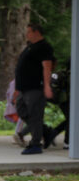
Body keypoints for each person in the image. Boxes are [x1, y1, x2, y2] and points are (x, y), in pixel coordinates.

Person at [14, 23, 54, 155]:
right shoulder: (30, 47)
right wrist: (17, 88)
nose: (27, 34)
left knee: (35, 115)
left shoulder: (44, 47)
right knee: (21, 111)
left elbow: (47, 67)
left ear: (36, 32)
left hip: (35, 88)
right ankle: (46, 131)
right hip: (23, 88)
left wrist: (47, 86)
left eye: (29, 32)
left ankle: (36, 144)